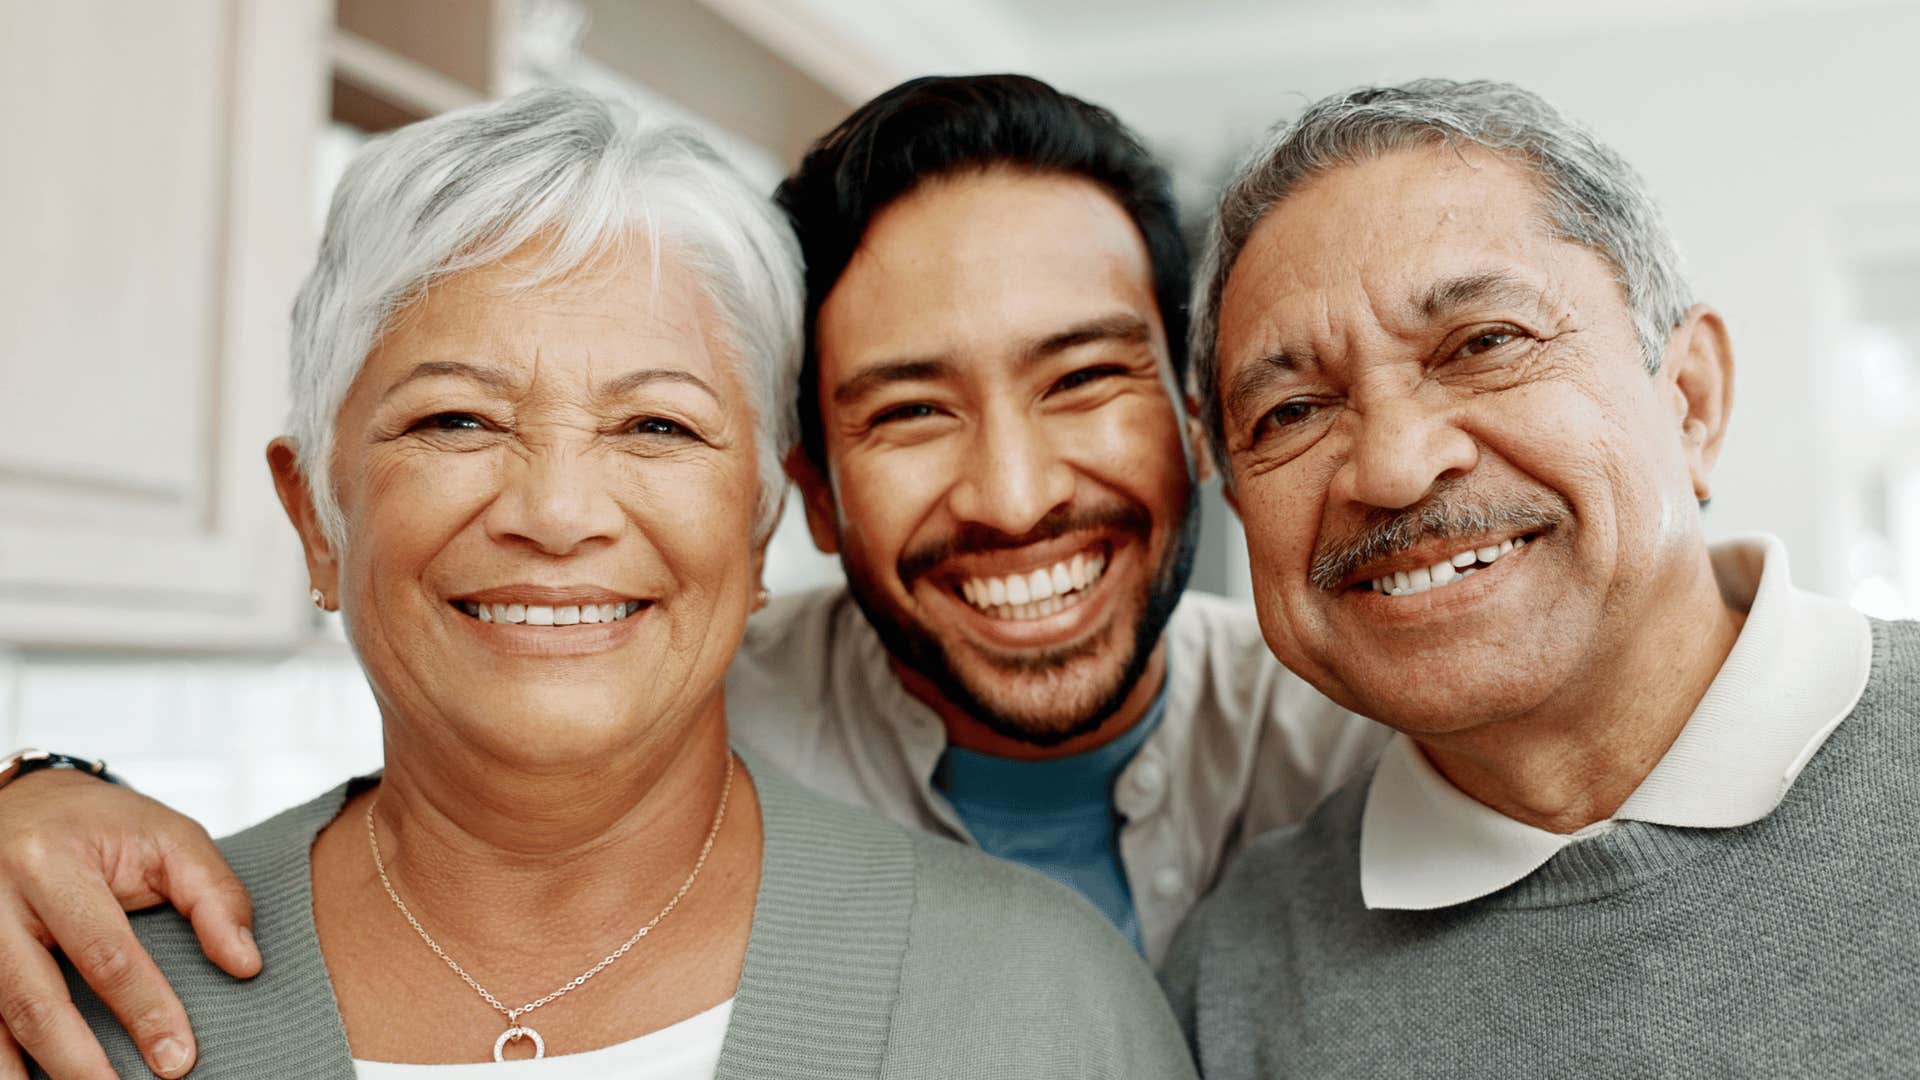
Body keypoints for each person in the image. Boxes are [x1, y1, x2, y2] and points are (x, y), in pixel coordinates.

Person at [0, 73, 1387, 1076]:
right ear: (810, 504)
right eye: (455, 418)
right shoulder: (80, 997)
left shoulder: (1375, 731)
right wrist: (30, 791)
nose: (555, 511)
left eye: (657, 424)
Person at [1161, 78, 1920, 1076]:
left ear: (1690, 400)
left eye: (1483, 345)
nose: (1392, 466)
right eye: (1292, 412)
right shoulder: (1232, 977)